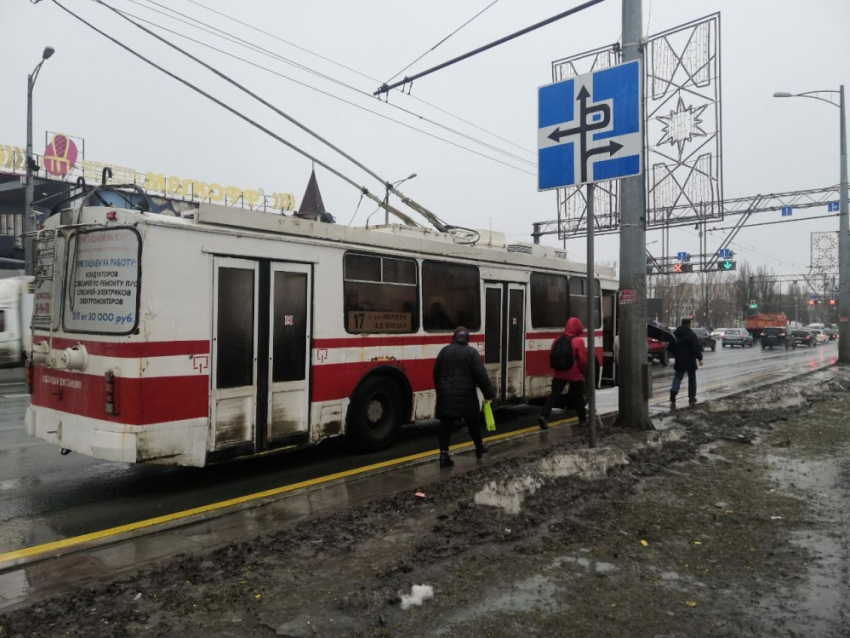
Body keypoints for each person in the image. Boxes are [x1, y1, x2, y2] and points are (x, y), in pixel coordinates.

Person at [433, 326, 496, 468]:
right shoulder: (471, 353)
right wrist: (489, 395)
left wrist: (440, 390)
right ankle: (479, 447)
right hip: (466, 394)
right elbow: (481, 376)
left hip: (446, 393)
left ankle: (444, 455)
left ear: (454, 337)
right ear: (467, 338)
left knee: (445, 424)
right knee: (472, 421)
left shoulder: (444, 351)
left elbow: (436, 372)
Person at [537, 317, 596, 430]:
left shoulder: (557, 340)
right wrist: (583, 372)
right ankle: (582, 420)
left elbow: (553, 354)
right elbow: (582, 360)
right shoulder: (579, 341)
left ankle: (543, 416)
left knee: (554, 395)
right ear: (578, 328)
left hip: (559, 372)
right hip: (575, 374)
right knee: (577, 397)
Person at [670, 317, 703, 405]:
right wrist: (699, 358)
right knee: (692, 378)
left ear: (681, 323)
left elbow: (671, 347)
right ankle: (691, 397)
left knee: (677, 377)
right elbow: (696, 347)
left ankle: (674, 390)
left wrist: (676, 354)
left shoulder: (675, 334)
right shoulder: (691, 334)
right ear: (689, 324)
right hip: (690, 359)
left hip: (679, 359)